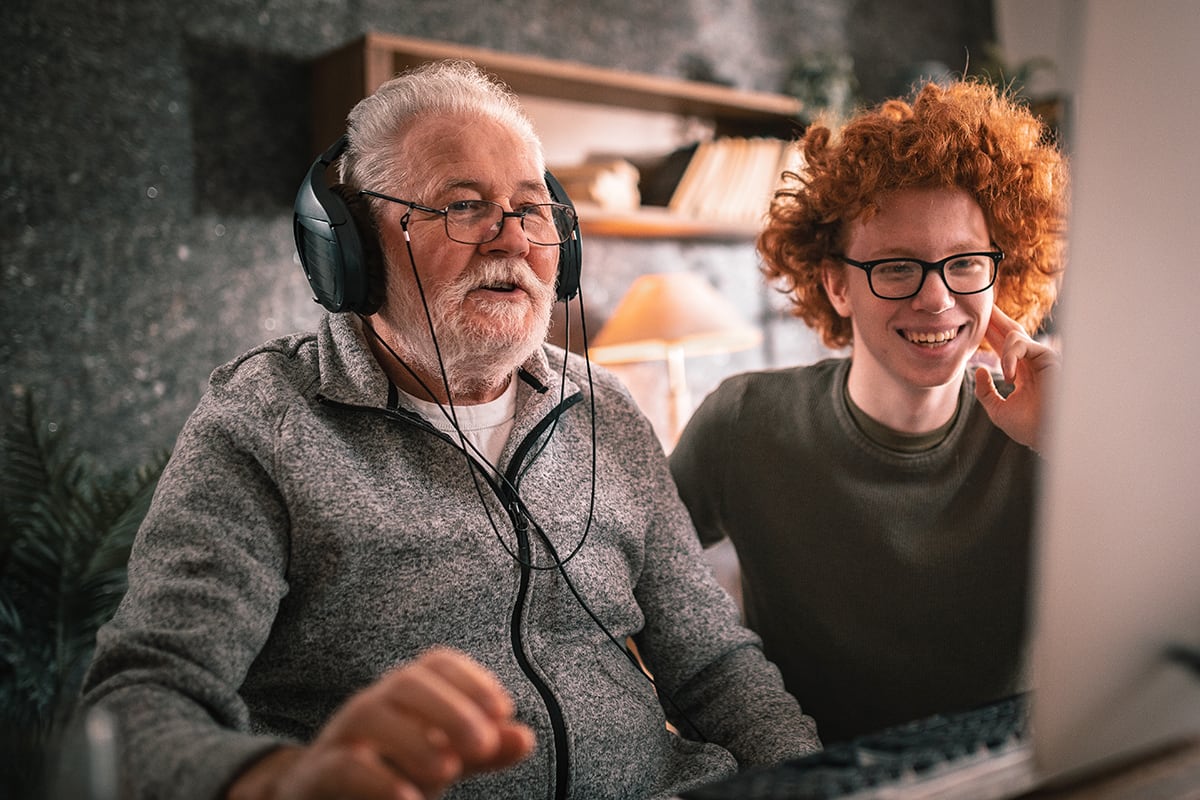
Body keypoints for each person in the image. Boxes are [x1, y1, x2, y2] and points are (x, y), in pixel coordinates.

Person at [79, 59, 820, 800]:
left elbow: (714, 666)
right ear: (353, 249)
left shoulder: (607, 409)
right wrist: (280, 782)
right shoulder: (263, 423)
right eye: (463, 207)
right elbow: (144, 701)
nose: (511, 241)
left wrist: (822, 782)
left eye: (530, 208)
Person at [669, 79, 1068, 744]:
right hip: (813, 777)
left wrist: (1073, 440)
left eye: (964, 263)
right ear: (837, 285)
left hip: (1012, 769)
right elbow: (627, 578)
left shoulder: (1043, 424)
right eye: (895, 267)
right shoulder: (743, 423)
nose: (937, 300)